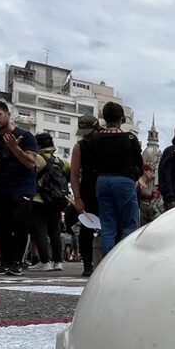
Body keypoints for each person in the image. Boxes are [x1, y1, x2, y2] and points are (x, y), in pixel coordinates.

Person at [0, 101, 38, 276]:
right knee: (2, 227)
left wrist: (14, 148)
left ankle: (18, 262)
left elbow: (31, 163)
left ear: (8, 114)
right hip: (0, 189)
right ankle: (5, 262)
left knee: (20, 225)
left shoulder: (25, 136)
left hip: (22, 189)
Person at [91, 102, 144, 257]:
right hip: (124, 180)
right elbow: (139, 163)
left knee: (107, 226)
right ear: (122, 118)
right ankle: (124, 259)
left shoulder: (96, 138)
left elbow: (92, 162)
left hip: (102, 180)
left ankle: (107, 261)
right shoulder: (130, 138)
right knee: (129, 225)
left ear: (104, 118)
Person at [28, 132, 70, 272]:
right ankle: (58, 262)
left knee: (40, 230)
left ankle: (45, 261)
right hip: (56, 200)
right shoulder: (60, 161)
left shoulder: (38, 158)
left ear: (38, 144)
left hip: (39, 199)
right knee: (55, 231)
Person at [70, 114, 100, 277]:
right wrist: (77, 198)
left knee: (109, 227)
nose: (86, 137)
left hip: (105, 187)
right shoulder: (80, 146)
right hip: (88, 188)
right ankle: (87, 264)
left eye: (89, 133)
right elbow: (74, 174)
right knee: (86, 229)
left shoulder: (106, 140)